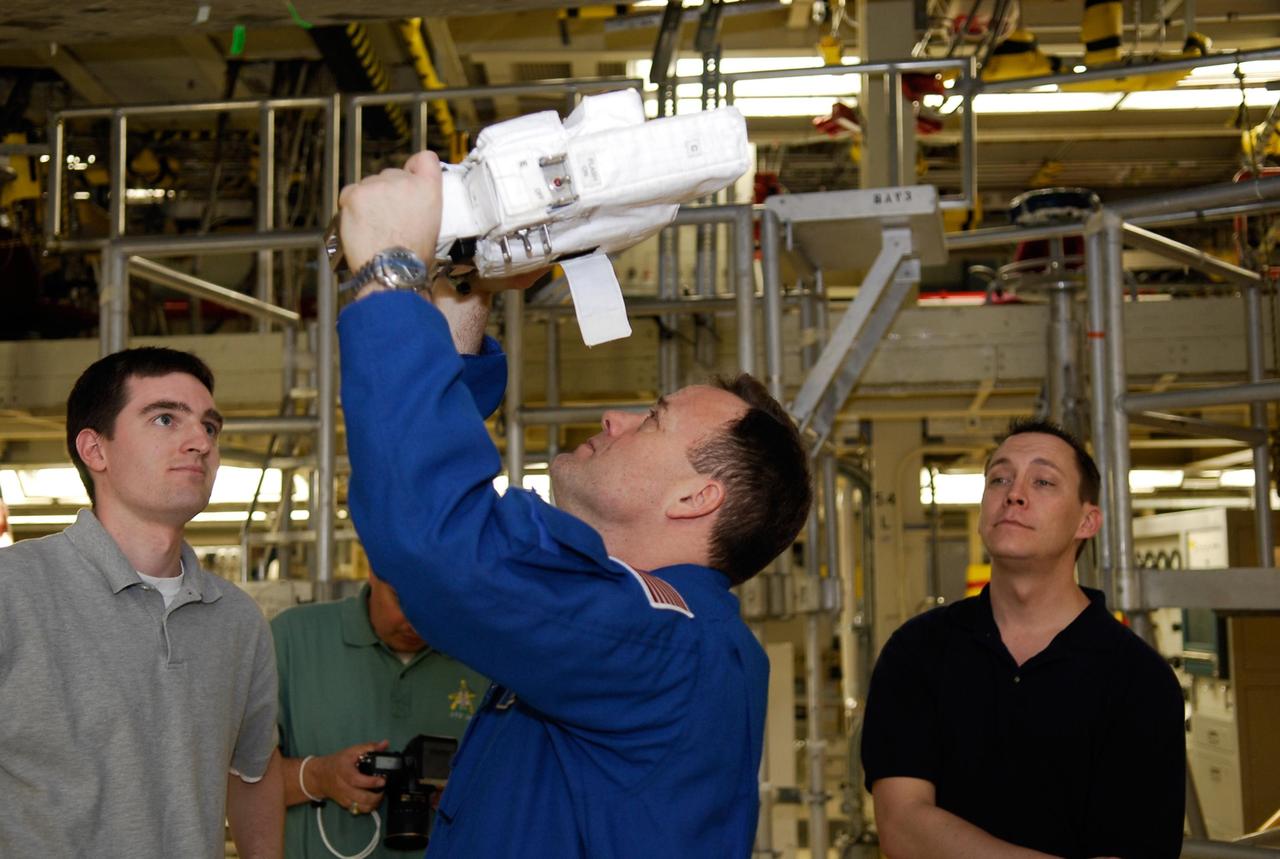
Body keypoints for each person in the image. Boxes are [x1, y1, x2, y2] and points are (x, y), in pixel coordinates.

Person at [332, 150, 813, 858]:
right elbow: (436, 516)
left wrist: (389, 275)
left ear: (695, 496)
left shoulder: (663, 641)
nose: (615, 418)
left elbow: (435, 542)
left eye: (652, 418)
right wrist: (463, 301)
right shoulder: (649, 624)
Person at [0, 347, 282, 859]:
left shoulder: (239, 621)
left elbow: (254, 773)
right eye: (166, 419)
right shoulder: (12, 592)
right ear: (95, 450)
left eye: (210, 428)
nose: (199, 442)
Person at [861, 419, 1186, 859]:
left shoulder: (1139, 680)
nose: (1014, 493)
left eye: (1043, 481)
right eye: (999, 478)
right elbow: (902, 829)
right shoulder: (917, 651)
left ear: (1087, 521)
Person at [273, 569, 489, 858]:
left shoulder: (485, 659)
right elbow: (231, 783)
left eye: (434, 603)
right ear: (373, 571)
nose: (416, 620)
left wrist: (470, 794)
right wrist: (318, 777)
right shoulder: (292, 639)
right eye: (402, 599)